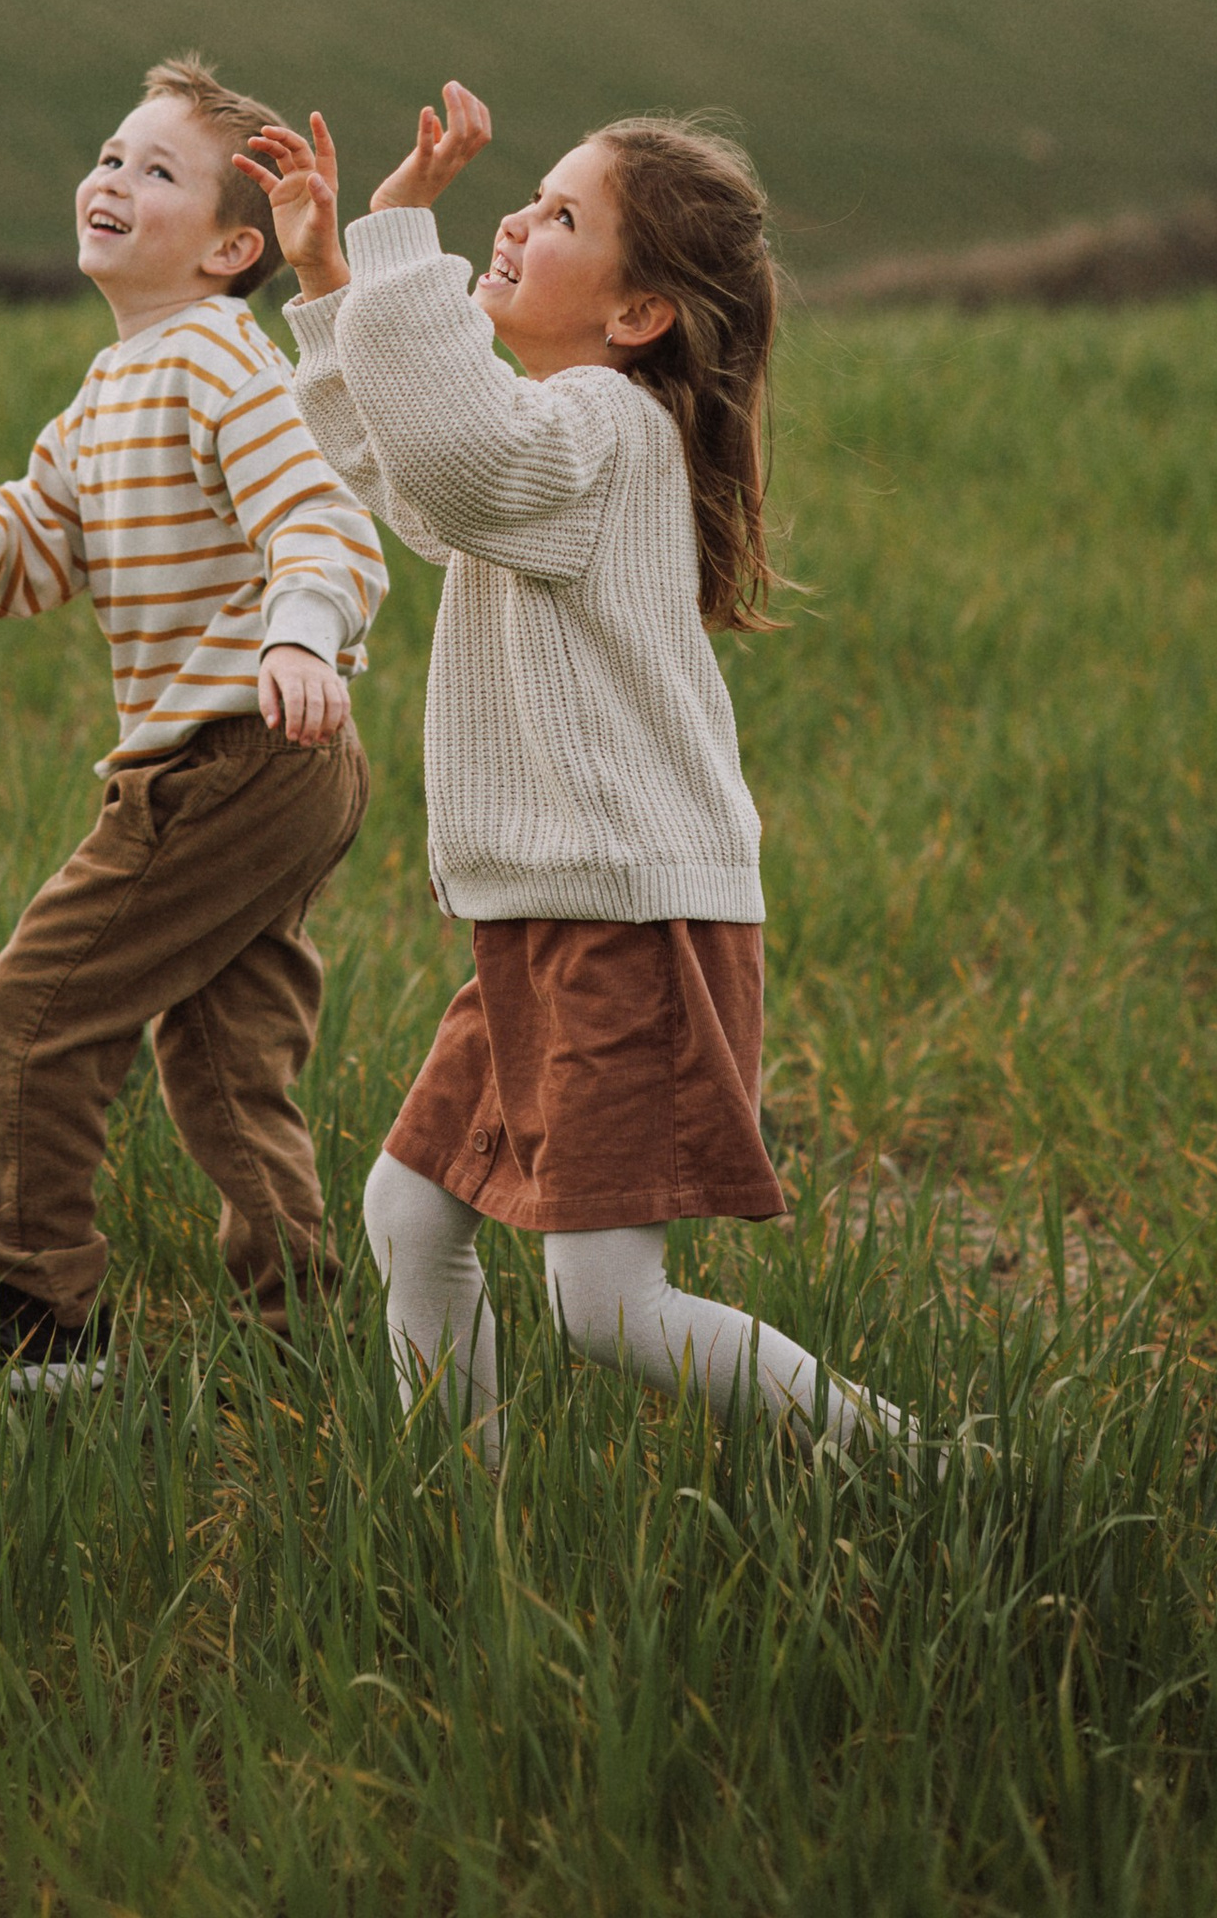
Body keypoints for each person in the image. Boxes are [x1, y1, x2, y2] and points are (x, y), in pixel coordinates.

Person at [243, 82, 907, 1465]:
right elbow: (413, 475)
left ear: (637, 314)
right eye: (532, 198)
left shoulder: (605, 428)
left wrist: (396, 240)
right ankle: (462, 1508)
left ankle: (916, 1465)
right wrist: (329, 285)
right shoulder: (556, 436)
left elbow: (458, 453)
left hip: (628, 920)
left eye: (559, 214)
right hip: (547, 913)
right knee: (411, 1215)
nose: (518, 219)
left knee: (608, 1303)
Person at [0, 55, 387, 1392]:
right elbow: (34, 553)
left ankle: (39, 1326)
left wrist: (300, 635)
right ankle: (304, 1339)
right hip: (252, 761)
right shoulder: (112, 388)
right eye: (110, 156)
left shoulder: (223, 364)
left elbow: (327, 524)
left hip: (239, 752)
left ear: (234, 247)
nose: (112, 178)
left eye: (154, 169)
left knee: (36, 1016)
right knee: (228, 1055)